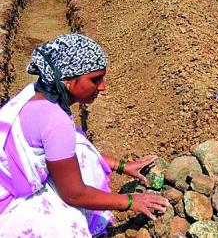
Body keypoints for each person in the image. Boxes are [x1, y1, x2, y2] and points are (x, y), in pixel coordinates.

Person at [0, 34, 169, 237]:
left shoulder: (36, 95)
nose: (102, 86)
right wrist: (130, 201)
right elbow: (73, 193)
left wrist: (121, 166)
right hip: (7, 201)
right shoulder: (55, 120)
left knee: (81, 147)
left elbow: (66, 155)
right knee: (67, 226)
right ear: (68, 80)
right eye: (95, 79)